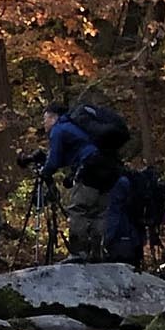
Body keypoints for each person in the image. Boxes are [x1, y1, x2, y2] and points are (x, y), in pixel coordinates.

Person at [40, 99, 116, 260]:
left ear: (53, 117)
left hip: (89, 168)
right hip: (108, 167)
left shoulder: (59, 129)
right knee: (99, 211)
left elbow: (54, 160)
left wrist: (45, 172)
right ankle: (98, 252)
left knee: (78, 209)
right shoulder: (76, 127)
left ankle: (78, 251)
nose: (44, 123)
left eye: (45, 119)